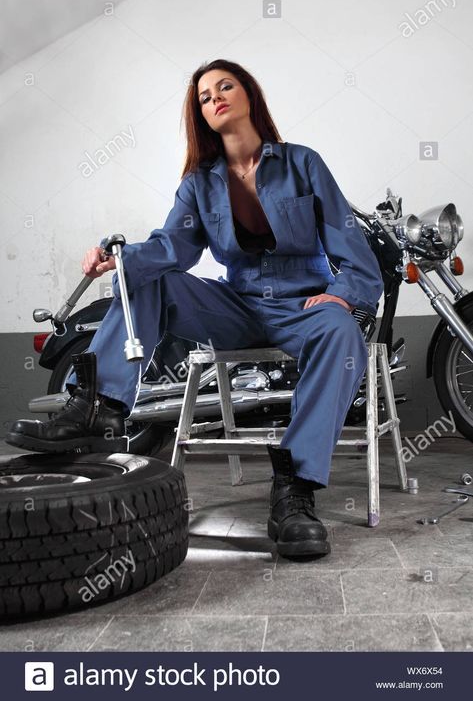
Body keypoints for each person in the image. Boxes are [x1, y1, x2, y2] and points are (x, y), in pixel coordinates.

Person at [7, 58, 384, 558]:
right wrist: (117, 257)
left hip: (302, 304)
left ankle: (294, 490)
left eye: (225, 87)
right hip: (238, 304)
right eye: (204, 97)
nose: (215, 99)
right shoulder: (199, 183)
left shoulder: (303, 163)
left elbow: (353, 251)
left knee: (341, 332)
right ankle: (98, 405)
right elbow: (172, 250)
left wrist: (342, 294)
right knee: (144, 276)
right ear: (200, 115)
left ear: (248, 93)